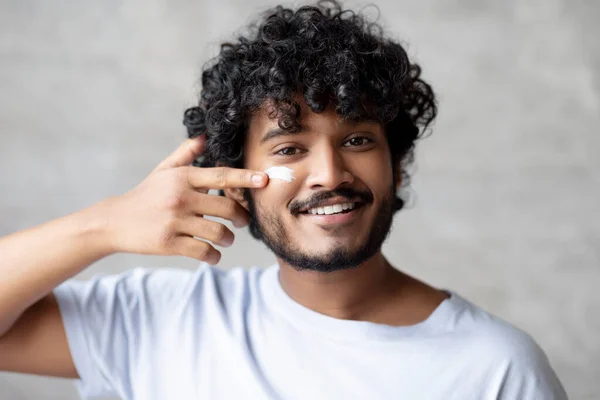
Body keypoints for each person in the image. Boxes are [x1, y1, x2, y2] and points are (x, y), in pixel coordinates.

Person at [0, 1, 568, 399]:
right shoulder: (164, 320)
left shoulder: (496, 369)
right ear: (233, 176)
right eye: (290, 147)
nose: (328, 172)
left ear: (394, 162)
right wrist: (105, 224)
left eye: (357, 140)